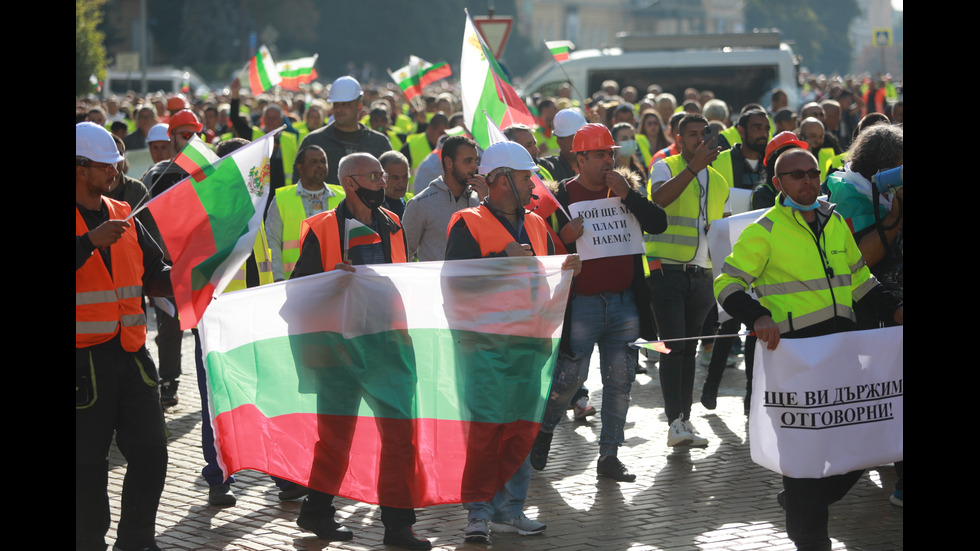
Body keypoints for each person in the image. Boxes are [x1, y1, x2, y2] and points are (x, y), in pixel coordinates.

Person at [713, 148, 902, 551]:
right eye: (796, 175)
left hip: (841, 349)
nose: (807, 181)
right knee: (804, 452)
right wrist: (757, 316)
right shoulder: (764, 229)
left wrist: (894, 307)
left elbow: (860, 279)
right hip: (796, 356)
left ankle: (803, 501)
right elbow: (726, 284)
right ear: (779, 183)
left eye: (812, 173)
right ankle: (810, 536)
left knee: (863, 440)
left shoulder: (834, 221)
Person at [290, 153, 430, 551]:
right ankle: (316, 510)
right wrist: (333, 279)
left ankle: (398, 526)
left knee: (401, 436)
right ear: (351, 182)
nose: (382, 181)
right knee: (336, 438)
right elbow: (300, 288)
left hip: (389, 346)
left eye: (382, 175)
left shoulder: (394, 223)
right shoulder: (320, 229)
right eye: (374, 175)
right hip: (340, 349)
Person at [445, 141, 581, 543]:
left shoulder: (537, 224)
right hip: (485, 346)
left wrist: (567, 268)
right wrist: (501, 262)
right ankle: (479, 512)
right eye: (526, 178)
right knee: (487, 430)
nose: (533, 185)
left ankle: (509, 510)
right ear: (501, 180)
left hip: (530, 345)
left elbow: (546, 277)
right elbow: (455, 282)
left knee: (521, 430)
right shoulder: (466, 222)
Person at [529, 123, 667, 481]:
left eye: (611, 153)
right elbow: (544, 253)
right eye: (601, 154)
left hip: (625, 304)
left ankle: (609, 456)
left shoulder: (625, 187)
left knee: (620, 382)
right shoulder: (560, 197)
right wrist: (563, 237)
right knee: (568, 380)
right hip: (583, 305)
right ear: (580, 159)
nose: (609, 160)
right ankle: (544, 429)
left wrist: (630, 195)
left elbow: (658, 223)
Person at [76, 122, 172, 551]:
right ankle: (88, 539)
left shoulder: (122, 211)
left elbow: (154, 272)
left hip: (131, 354)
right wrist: (88, 243)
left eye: (116, 164)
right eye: (105, 165)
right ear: (79, 168)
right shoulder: (100, 224)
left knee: (152, 452)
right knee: (86, 463)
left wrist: (191, 278)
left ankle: (136, 540)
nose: (115, 171)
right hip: (83, 361)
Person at [646, 114, 729, 448]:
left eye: (702, 133)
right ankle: (674, 422)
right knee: (673, 347)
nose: (698, 139)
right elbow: (660, 199)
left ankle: (684, 420)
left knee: (689, 349)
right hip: (666, 272)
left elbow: (720, 226)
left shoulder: (720, 180)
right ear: (677, 137)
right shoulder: (665, 166)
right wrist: (693, 167)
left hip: (702, 275)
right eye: (691, 134)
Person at [140, 108, 203, 407]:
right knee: (169, 329)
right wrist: (159, 256)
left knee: (205, 330)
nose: (191, 140)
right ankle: (168, 381)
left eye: (195, 135)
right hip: (169, 267)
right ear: (172, 136)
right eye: (185, 135)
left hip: (204, 265)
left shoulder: (212, 171)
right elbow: (142, 220)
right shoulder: (156, 174)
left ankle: (212, 383)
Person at [266, 145, 345, 282]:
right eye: (314, 162)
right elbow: (272, 242)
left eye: (323, 161)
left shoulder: (342, 197)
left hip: (335, 278)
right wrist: (277, 278)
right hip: (294, 280)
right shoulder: (282, 198)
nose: (320, 165)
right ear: (300, 167)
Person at [402, 135, 485, 262]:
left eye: (476, 160)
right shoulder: (420, 203)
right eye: (468, 161)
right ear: (449, 162)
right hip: (434, 281)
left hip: (474, 281)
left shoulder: (480, 200)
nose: (475, 166)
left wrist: (486, 203)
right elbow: (403, 253)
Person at [300, 76, 392, 185]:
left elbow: (389, 183)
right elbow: (300, 185)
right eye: (336, 104)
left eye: (345, 104)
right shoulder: (313, 141)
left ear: (359, 106)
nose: (339, 109)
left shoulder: (380, 143)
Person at [380, 150, 410, 217]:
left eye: (405, 176)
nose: (401, 183)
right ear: (382, 177)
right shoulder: (374, 208)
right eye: (395, 178)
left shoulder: (411, 200)